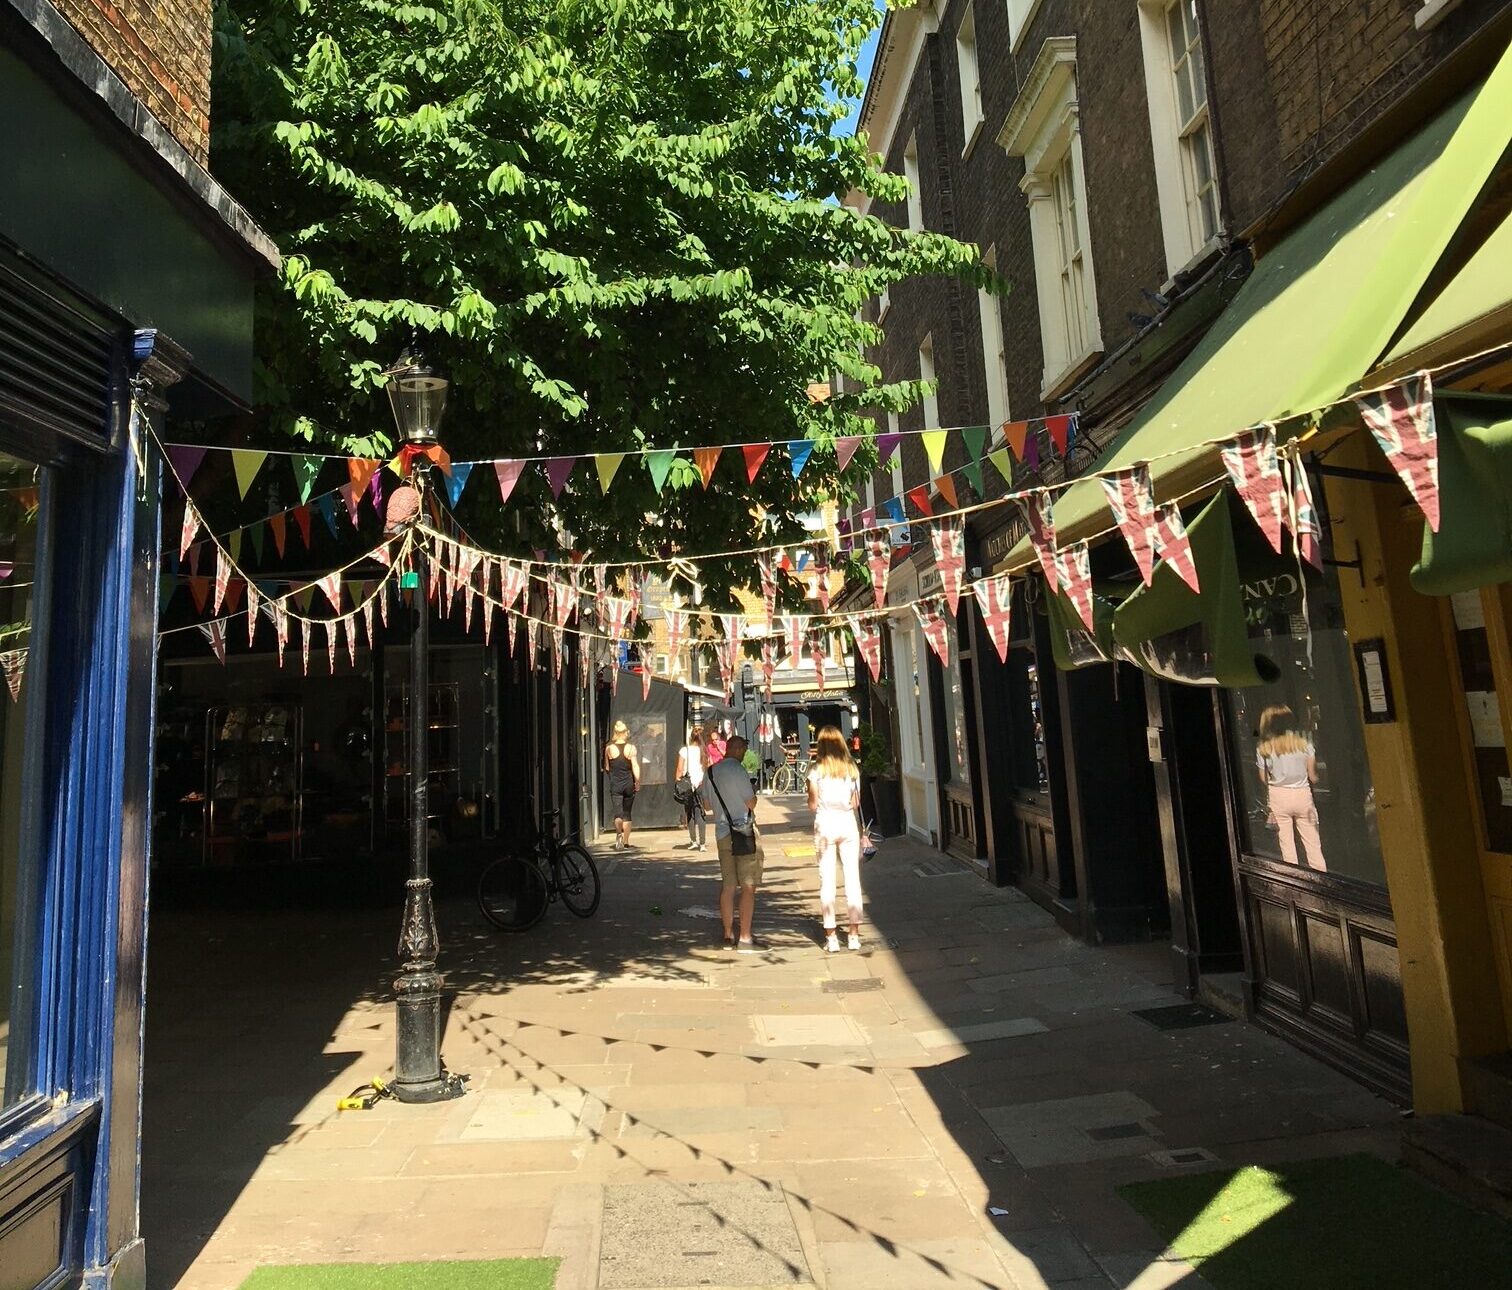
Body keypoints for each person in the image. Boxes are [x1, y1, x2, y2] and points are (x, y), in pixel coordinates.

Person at [699, 734, 763, 952]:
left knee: (728, 886)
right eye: (743, 750)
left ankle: (727, 934)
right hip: (743, 833)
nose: (744, 754)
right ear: (737, 750)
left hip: (722, 833)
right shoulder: (739, 770)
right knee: (747, 885)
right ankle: (745, 936)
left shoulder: (711, 772)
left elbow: (707, 806)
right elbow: (751, 802)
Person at [807, 725, 864, 952]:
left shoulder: (815, 770)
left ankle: (831, 936)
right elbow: (855, 803)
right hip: (848, 824)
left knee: (827, 880)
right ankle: (853, 935)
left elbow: (812, 805)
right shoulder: (852, 769)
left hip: (825, 824)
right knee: (853, 879)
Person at [1257, 705, 1327, 871]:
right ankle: (1321, 879)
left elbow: (1264, 778)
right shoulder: (1304, 744)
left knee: (1287, 848)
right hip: (1302, 795)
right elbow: (1313, 776)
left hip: (1278, 796)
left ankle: (1294, 883)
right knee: (1313, 846)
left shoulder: (1264, 748)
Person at [603, 719, 640, 851]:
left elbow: (607, 767)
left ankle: (619, 834)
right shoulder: (631, 748)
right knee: (627, 813)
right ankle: (626, 841)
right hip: (628, 783)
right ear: (625, 733)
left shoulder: (608, 748)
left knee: (617, 814)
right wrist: (637, 781)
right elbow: (635, 766)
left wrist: (613, 777)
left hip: (615, 784)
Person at [676, 726, 710, 851]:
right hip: (701, 784)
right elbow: (708, 768)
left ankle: (693, 841)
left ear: (691, 737)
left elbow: (680, 768)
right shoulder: (704, 751)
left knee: (689, 813)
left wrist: (678, 781)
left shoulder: (684, 751)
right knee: (700, 812)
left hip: (688, 784)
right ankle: (702, 843)